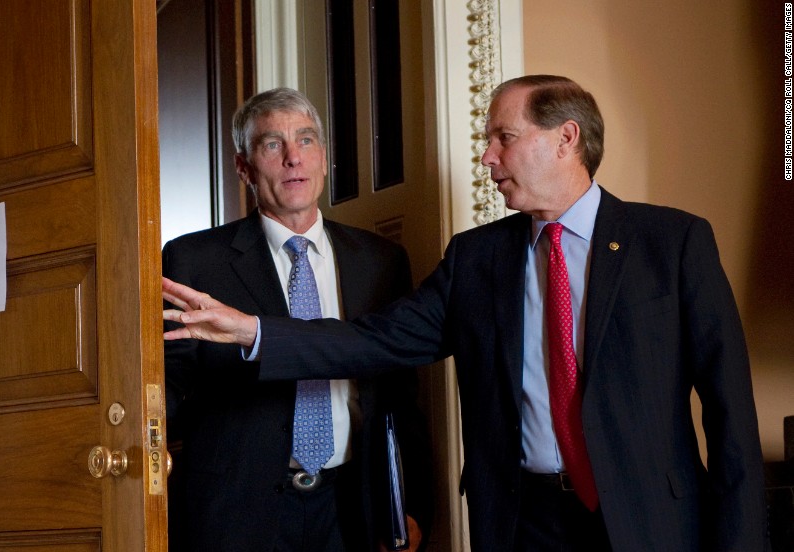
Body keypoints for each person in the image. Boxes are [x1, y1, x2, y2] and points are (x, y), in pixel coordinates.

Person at [163, 75, 769, 552]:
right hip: (522, 524)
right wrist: (255, 331)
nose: (486, 157)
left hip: (648, 522)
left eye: (504, 137)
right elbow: (376, 342)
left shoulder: (672, 242)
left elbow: (730, 414)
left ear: (566, 138)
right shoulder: (477, 259)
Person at [162, 87, 433, 552]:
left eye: (306, 140)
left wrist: (413, 505)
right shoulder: (193, 261)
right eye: (272, 144)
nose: (293, 158)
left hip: (355, 507)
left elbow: (402, 395)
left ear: (324, 158)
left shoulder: (381, 260)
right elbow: (165, 388)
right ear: (243, 167)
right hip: (236, 511)